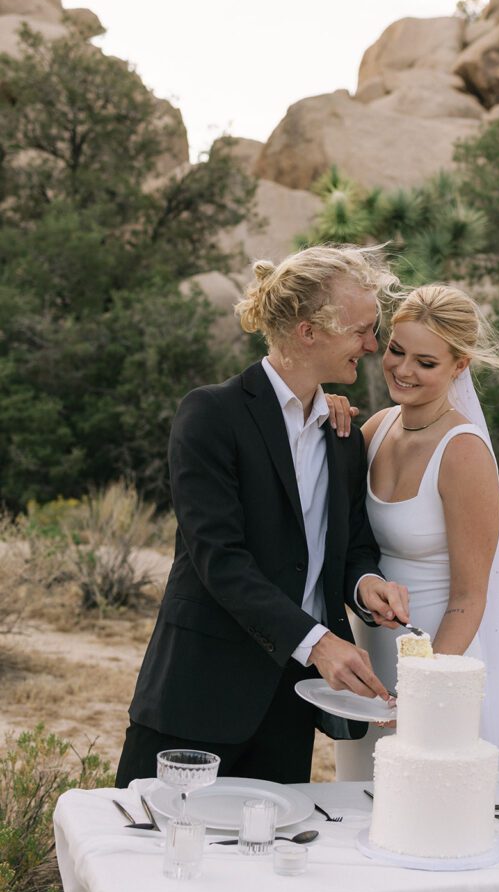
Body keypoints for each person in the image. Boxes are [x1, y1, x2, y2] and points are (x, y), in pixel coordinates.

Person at [115, 244, 410, 787]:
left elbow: (350, 545)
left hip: (290, 702)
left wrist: (366, 582)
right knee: (145, 850)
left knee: (267, 862)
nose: (372, 346)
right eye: (361, 330)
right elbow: (219, 560)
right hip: (198, 691)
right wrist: (320, 643)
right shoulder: (210, 414)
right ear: (308, 332)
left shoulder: (342, 434)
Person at [334, 283, 499, 781]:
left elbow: (471, 597)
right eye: (396, 351)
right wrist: (327, 412)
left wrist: (423, 693)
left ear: (459, 366)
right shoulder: (376, 429)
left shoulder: (464, 452)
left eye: (426, 363)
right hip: (371, 657)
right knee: (358, 798)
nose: (404, 371)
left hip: (440, 661)